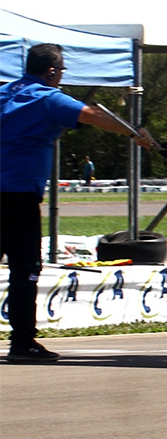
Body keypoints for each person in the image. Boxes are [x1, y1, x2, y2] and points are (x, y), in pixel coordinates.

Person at [1, 43, 156, 363]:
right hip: (18, 196)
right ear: (53, 71)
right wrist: (134, 133)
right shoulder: (47, 97)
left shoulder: (4, 92)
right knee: (24, 269)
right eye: (61, 74)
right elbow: (94, 115)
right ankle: (22, 343)